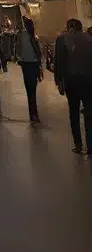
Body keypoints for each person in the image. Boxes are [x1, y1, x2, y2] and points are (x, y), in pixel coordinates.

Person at [53, 18, 92, 154]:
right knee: (89, 113)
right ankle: (91, 146)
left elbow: (58, 62)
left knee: (74, 112)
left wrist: (58, 81)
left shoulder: (62, 39)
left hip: (72, 82)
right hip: (88, 81)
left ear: (69, 27)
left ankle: (79, 145)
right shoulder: (89, 38)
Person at [15, 17, 42, 124]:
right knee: (31, 90)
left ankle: (33, 113)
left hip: (29, 65)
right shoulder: (26, 36)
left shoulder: (29, 36)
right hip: (29, 64)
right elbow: (18, 49)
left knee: (31, 90)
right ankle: (33, 113)